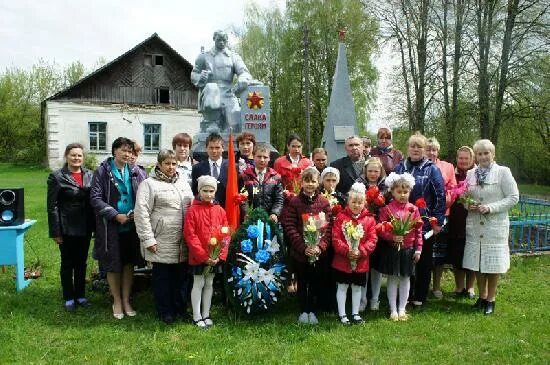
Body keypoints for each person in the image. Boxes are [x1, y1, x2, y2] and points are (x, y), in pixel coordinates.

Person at [134, 149, 194, 324]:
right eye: (167, 163)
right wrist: (148, 239)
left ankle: (180, 309)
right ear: (159, 164)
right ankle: (165, 312)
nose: (171, 167)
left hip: (182, 241)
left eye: (174, 163)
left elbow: (192, 205)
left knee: (181, 278)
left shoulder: (182, 183)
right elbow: (141, 213)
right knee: (163, 279)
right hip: (161, 240)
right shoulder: (149, 184)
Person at [90, 137, 147, 319]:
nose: (127, 154)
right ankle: (116, 300)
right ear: (114, 151)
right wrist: (115, 215)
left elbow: (146, 194)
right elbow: (95, 199)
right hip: (111, 227)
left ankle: (126, 299)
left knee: (129, 263)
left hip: (132, 226)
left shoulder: (137, 171)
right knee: (113, 264)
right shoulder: (101, 172)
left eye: (130, 151)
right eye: (123, 150)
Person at [463, 139, 519, 315]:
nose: (483, 156)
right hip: (474, 226)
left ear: (493, 154)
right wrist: (467, 204)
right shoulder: (471, 174)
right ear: (476, 156)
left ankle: (491, 299)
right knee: (477, 263)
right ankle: (482, 296)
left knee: (493, 264)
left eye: (486, 153)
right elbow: (463, 196)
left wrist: (491, 207)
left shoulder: (503, 172)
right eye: (479, 153)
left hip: (494, 226)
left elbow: (513, 197)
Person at [394, 132, 445, 309]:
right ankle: (405, 295)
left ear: (425, 150)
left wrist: (437, 221)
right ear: (408, 148)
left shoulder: (432, 169)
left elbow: (440, 196)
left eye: (419, 146)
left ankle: (420, 295)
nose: (415, 149)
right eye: (412, 146)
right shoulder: (400, 168)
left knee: (423, 260)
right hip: (402, 222)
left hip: (424, 223)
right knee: (406, 259)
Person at [47, 143, 94, 311]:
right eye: (73, 155)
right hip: (66, 227)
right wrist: (55, 231)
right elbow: (52, 206)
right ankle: (68, 297)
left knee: (82, 262)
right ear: (67, 156)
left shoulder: (90, 175)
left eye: (79, 155)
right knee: (67, 263)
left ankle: (80, 295)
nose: (76, 158)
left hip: (86, 227)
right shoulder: (57, 177)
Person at [282, 167, 332, 324]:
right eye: (307, 181)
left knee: (316, 282)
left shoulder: (324, 203)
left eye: (313, 181)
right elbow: (290, 227)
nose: (310, 184)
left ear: (318, 183)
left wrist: (319, 247)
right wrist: (304, 247)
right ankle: (304, 310)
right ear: (301, 182)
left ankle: (313, 311)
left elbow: (329, 228)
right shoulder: (294, 202)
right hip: (301, 254)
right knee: (302, 282)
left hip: (318, 253)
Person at [377, 172, 423, 321]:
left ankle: (402, 308)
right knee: (392, 278)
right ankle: (393, 309)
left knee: (405, 279)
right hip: (392, 249)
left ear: (410, 192)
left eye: (406, 192)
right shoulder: (387, 209)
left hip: (408, 249)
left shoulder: (414, 209)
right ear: (392, 192)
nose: (402, 195)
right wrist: (392, 237)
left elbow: (418, 230)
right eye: (399, 192)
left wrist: (418, 249)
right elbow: (381, 229)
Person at [184, 175, 229, 328]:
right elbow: (190, 235)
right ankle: (196, 315)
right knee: (198, 283)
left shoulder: (220, 210)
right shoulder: (192, 210)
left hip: (214, 256)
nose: (208, 194)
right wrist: (203, 256)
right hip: (199, 256)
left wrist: (219, 255)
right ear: (199, 191)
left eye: (211, 191)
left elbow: (225, 234)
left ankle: (206, 313)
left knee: (209, 282)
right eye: (205, 191)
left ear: (215, 192)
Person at [331, 183, 377, 325]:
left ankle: (355, 313)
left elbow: (372, 239)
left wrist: (360, 251)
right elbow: (336, 238)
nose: (356, 205)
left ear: (364, 203)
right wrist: (347, 251)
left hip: (361, 260)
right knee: (343, 286)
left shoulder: (369, 219)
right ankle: (342, 314)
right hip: (342, 260)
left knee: (357, 288)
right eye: (353, 202)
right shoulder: (341, 217)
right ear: (348, 202)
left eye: (360, 202)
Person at [190, 30, 252, 133]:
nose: (221, 42)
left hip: (229, 92)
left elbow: (244, 73)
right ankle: (212, 122)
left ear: (227, 40)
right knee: (212, 87)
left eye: (224, 40)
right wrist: (201, 77)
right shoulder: (204, 56)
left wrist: (242, 81)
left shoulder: (233, 56)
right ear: (214, 39)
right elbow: (194, 74)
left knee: (235, 127)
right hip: (211, 92)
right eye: (219, 40)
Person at [426, 137, 457, 299]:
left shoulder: (447, 167)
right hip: (423, 216)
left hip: (442, 215)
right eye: (428, 149)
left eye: (434, 149)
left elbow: (453, 189)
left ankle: (437, 286)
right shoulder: (419, 166)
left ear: (438, 151)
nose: (431, 152)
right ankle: (422, 284)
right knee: (423, 252)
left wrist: (442, 205)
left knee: (439, 253)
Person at [448, 146, 476, 298]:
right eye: (461, 158)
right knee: (457, 255)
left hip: (472, 219)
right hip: (456, 219)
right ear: (457, 159)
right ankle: (459, 287)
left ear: (472, 159)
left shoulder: (477, 175)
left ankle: (470, 287)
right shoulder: (452, 174)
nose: (463, 161)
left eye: (466, 158)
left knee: (471, 254)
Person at [360, 157, 387, 312]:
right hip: (363, 231)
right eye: (370, 170)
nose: (373, 174)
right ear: (365, 171)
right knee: (364, 266)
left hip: (379, 230)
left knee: (376, 268)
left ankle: (375, 299)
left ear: (380, 171)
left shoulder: (386, 186)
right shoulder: (358, 184)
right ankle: (362, 299)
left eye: (376, 171)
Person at [238, 144, 283, 222]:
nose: (262, 160)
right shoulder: (244, 176)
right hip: (251, 218)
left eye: (265, 157)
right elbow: (242, 198)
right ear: (253, 157)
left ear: (269, 159)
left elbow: (279, 199)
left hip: (270, 218)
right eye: (259, 157)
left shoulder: (276, 177)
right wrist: (247, 212)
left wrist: (275, 213)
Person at [191, 133, 228, 207]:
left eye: (217, 148)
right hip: (205, 210)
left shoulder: (232, 167)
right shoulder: (197, 168)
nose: (214, 151)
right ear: (206, 148)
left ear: (223, 148)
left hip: (226, 210)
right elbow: (195, 192)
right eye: (211, 147)